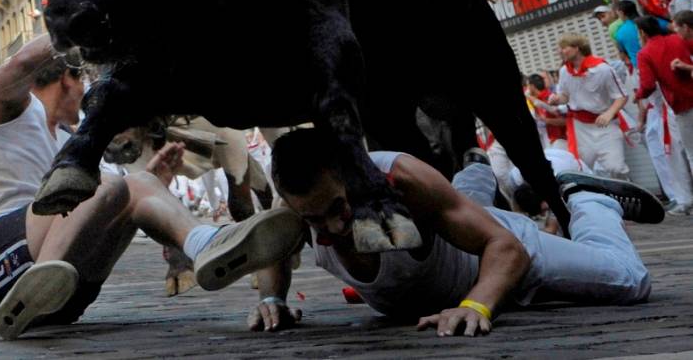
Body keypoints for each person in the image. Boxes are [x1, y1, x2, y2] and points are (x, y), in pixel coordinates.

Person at [0, 35, 305, 340]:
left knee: (136, 183)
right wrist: (92, 26)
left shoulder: (72, 140)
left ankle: (207, 245)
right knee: (104, 185)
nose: (87, 97)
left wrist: (156, 181)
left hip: (65, 298)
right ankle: (41, 278)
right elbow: (20, 63)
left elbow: (112, 201)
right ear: (69, 79)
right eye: (83, 82)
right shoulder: (11, 112)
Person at [250, 128, 660, 335]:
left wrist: (476, 305)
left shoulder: (399, 177)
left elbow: (505, 247)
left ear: (353, 177)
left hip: (496, 258)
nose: (333, 227)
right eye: (313, 219)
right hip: (439, 262)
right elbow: (270, 248)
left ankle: (588, 197)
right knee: (458, 207)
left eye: (338, 208)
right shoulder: (293, 208)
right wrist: (273, 298)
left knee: (629, 279)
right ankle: (475, 171)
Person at [548, 33, 630, 180]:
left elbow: (622, 96)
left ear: (577, 48)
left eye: (563, 48)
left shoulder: (602, 69)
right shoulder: (564, 71)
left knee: (616, 166)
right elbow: (565, 96)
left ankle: (627, 196)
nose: (559, 51)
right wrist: (557, 99)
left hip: (605, 125)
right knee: (582, 169)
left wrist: (609, 114)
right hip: (580, 127)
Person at [634, 15, 693, 213]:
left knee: (682, 154)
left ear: (642, 33)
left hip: (678, 106)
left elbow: (648, 85)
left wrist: (638, 95)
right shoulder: (679, 39)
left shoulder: (645, 53)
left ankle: (685, 198)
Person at [615, 0, 642, 70]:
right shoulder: (650, 20)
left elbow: (622, 55)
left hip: (640, 66)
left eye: (618, 15)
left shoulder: (620, 33)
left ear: (621, 13)